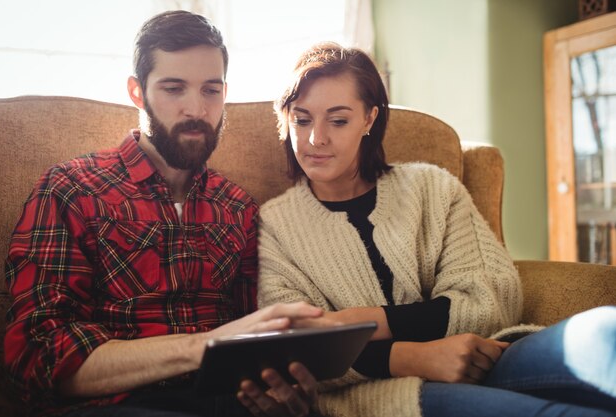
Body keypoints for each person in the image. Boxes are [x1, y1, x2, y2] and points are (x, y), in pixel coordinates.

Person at [257, 41, 616, 417]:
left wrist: (362, 321)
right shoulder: (275, 226)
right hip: (384, 397)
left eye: (338, 120)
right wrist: (413, 358)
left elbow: (490, 298)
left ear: (369, 119)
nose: (316, 139)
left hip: (489, 356)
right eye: (302, 119)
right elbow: (295, 349)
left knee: (606, 332)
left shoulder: (432, 188)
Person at [4, 11, 325, 417]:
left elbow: (254, 338)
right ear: (137, 92)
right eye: (174, 88)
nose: (196, 109)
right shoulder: (72, 189)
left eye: (211, 90)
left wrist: (284, 390)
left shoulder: (237, 207)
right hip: (117, 406)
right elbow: (36, 358)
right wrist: (202, 345)